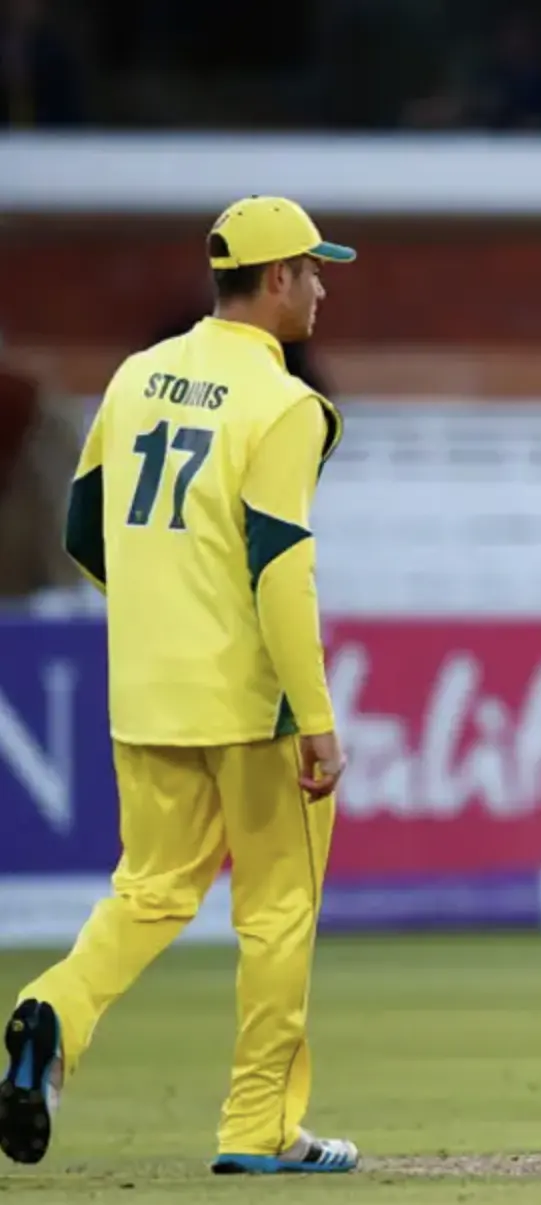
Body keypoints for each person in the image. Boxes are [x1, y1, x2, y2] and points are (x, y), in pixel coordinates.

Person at [0, 197, 358, 1174]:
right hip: (250, 700)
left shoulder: (136, 375)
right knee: (278, 907)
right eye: (314, 271)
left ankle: (51, 1012)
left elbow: (84, 529)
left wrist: (166, 603)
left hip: (146, 688)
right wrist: (317, 716)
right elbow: (282, 566)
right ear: (277, 278)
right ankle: (261, 1126)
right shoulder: (285, 403)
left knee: (148, 889)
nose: (323, 287)